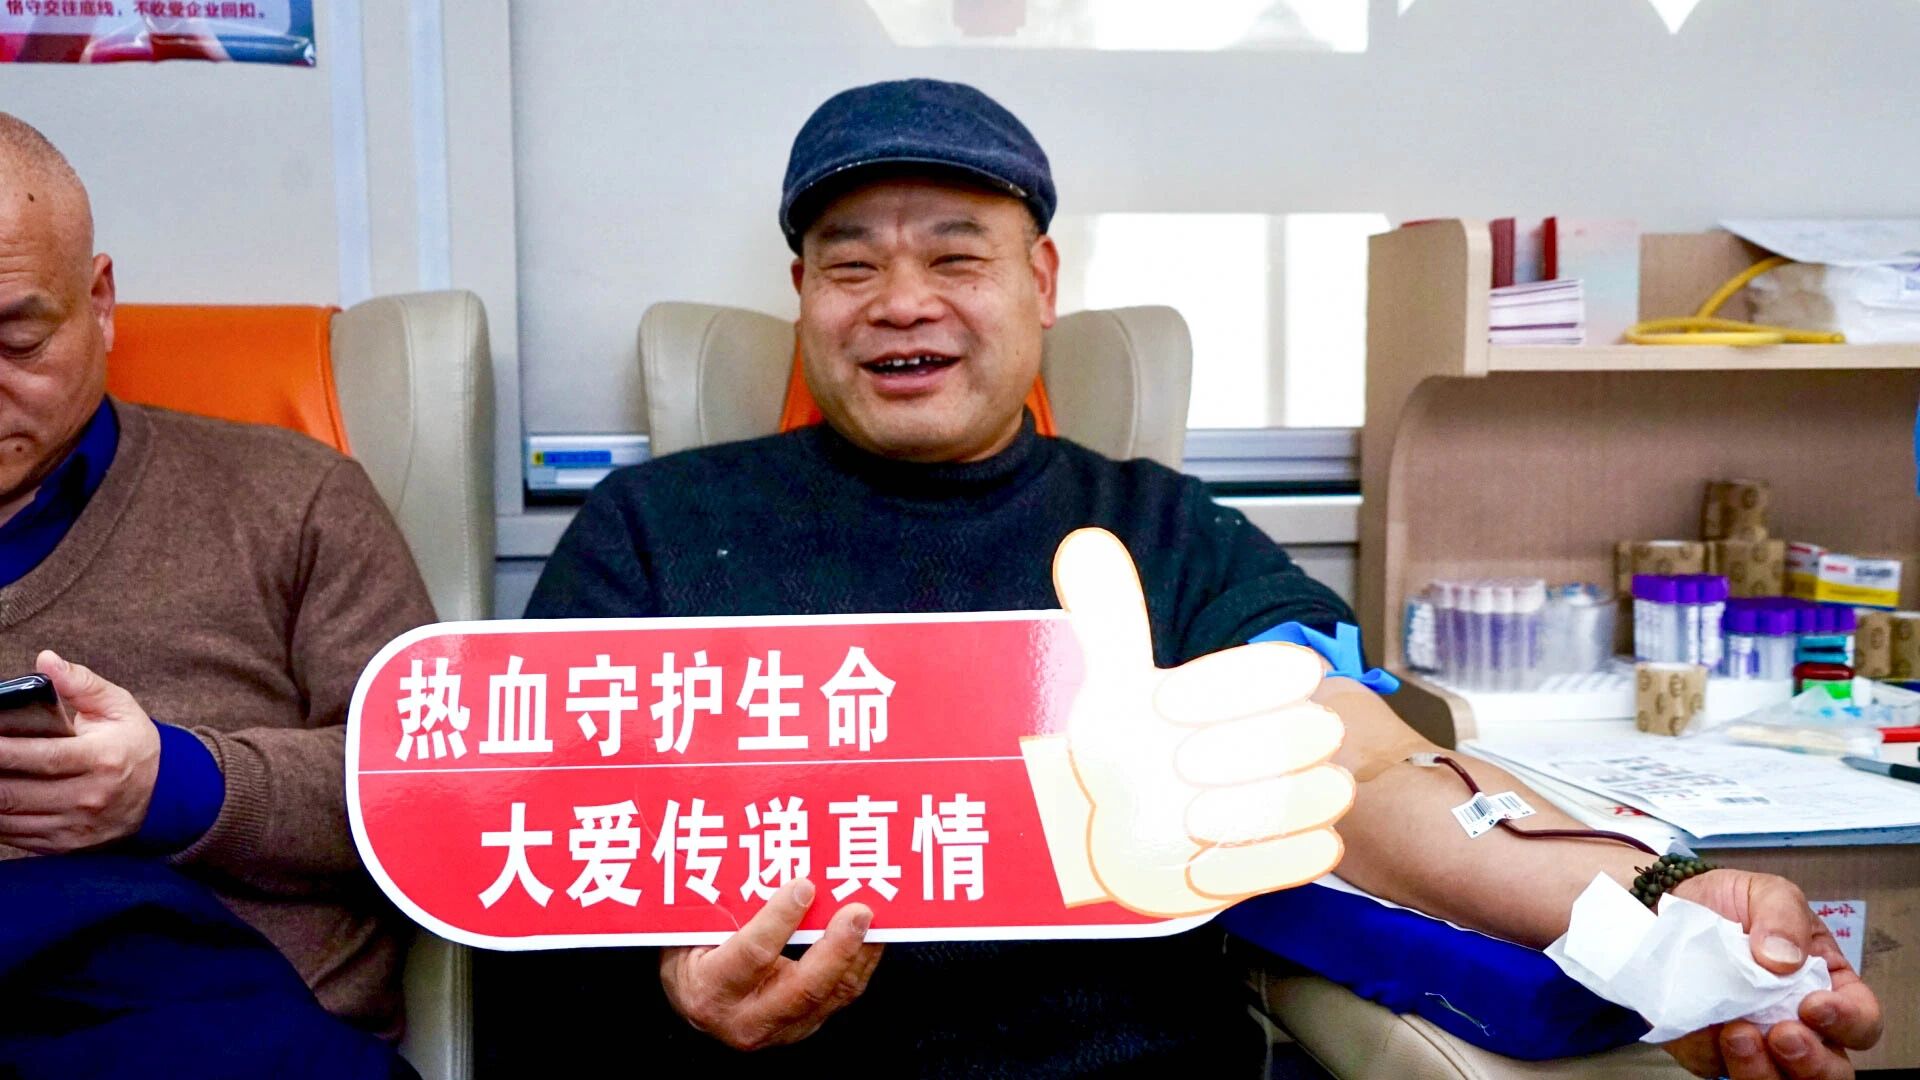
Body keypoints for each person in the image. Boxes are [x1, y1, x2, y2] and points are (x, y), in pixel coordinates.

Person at [495, 80, 1882, 1078]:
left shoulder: (1161, 530)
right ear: (804, 297)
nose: (901, 300)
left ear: (1042, 283)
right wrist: (678, 996)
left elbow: (1359, 768)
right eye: (848, 265)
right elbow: (532, 866)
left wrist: (1654, 900)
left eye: (957, 257)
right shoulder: (653, 532)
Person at [0, 113, 431, 1075]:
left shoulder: (292, 499)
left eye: (17, 340)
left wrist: (174, 787)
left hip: (224, 1035)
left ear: (100, 302)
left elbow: (435, 787)